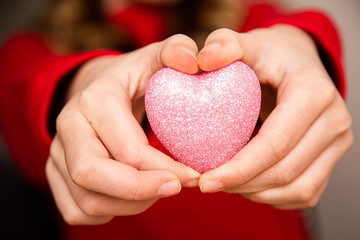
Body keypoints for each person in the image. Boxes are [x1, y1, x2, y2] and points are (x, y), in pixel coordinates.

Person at [0, 0, 353, 239]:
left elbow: (306, 27)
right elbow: (24, 94)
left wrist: (301, 45)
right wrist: (82, 83)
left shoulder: (250, 19)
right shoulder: (27, 50)